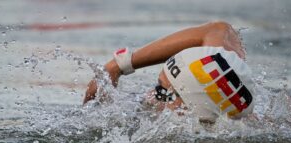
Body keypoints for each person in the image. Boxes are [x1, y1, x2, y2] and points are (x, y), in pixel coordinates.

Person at [83, 21, 255, 123]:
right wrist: (118, 65)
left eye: (160, 91)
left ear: (185, 109)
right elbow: (218, 29)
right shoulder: (227, 84)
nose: (150, 94)